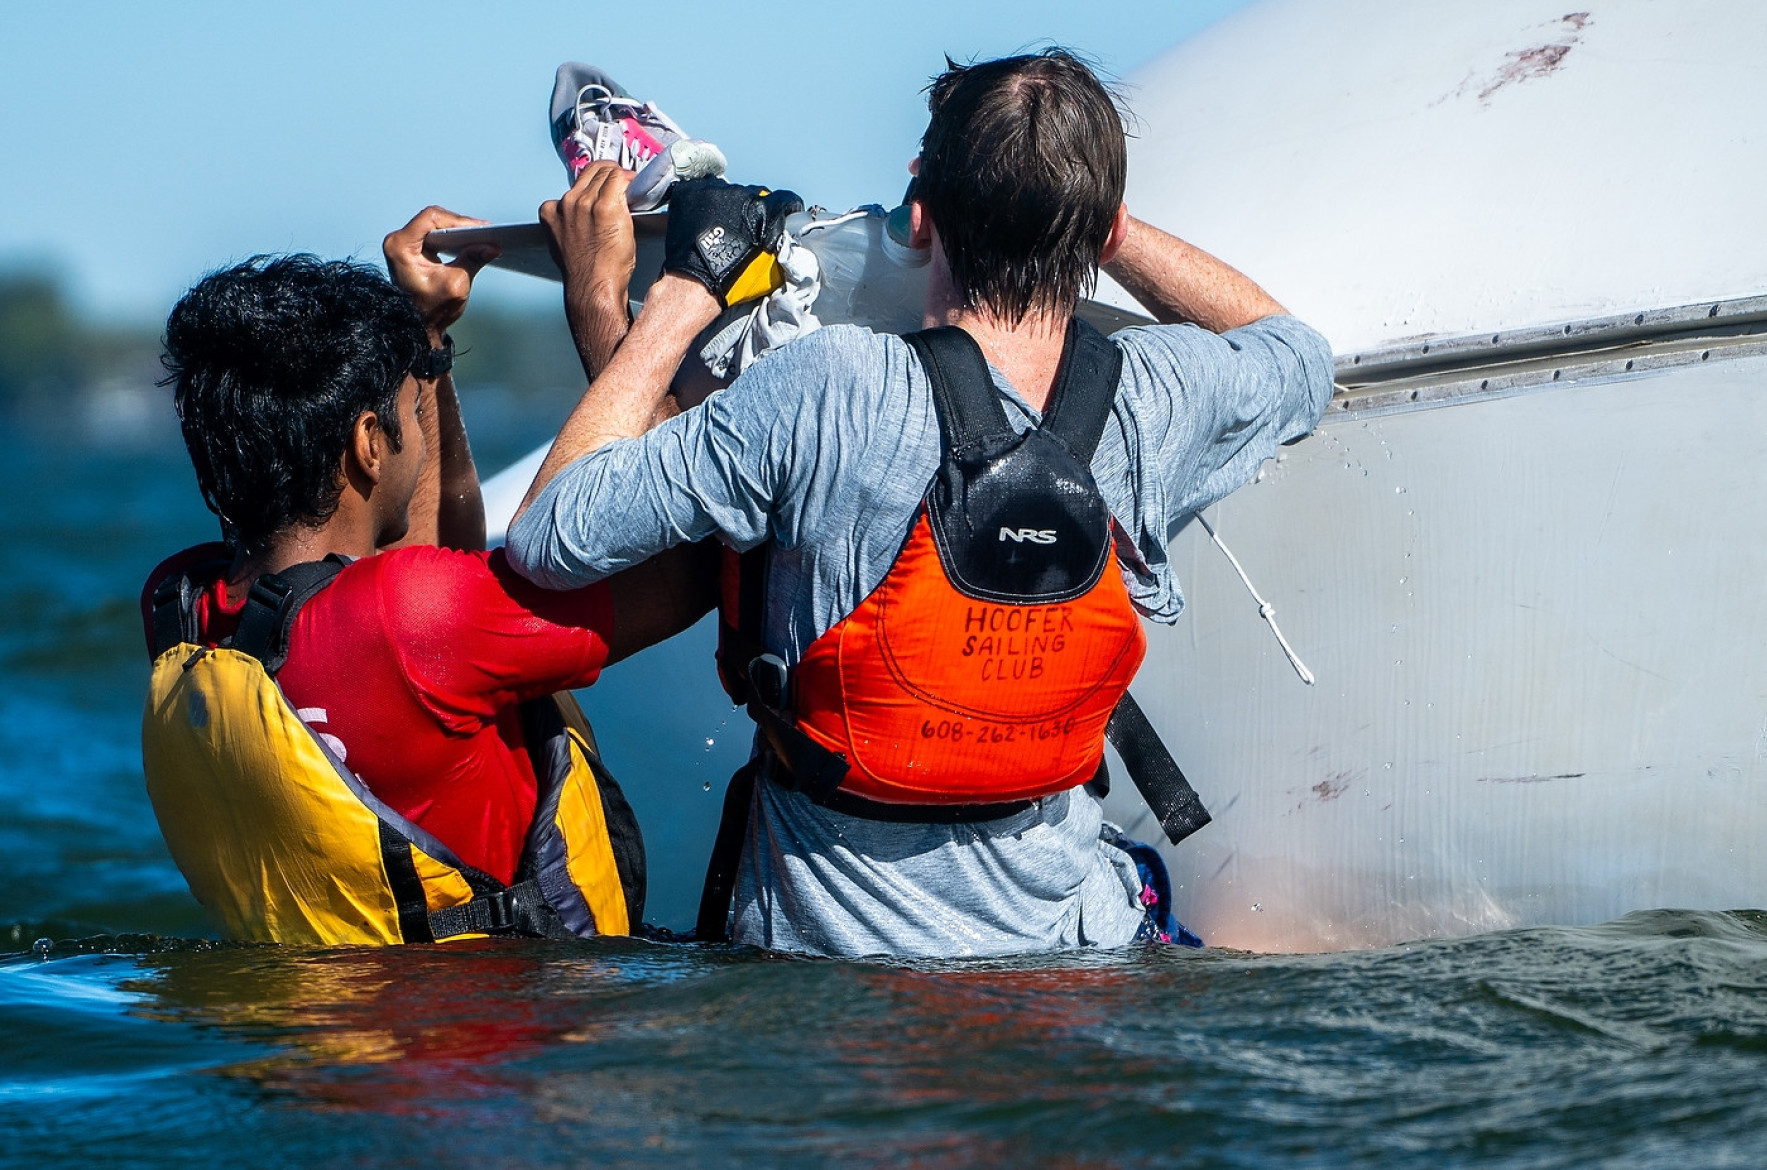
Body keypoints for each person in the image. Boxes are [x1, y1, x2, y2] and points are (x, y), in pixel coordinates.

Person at [508, 49, 1337, 957]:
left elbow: (553, 537)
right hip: (1078, 961)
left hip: (832, 973)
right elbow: (1297, 354)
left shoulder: (831, 387)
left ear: (919, 212)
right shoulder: (1154, 398)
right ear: (1101, 235)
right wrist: (1100, 224)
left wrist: (675, 294)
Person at [140, 209, 717, 945]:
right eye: (413, 411)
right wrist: (605, 302)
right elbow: (685, 566)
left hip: (319, 1046)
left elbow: (413, 596)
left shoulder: (184, 610)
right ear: (369, 444)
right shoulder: (411, 622)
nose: (420, 420)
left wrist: (426, 342)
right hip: (512, 1042)